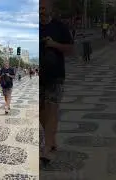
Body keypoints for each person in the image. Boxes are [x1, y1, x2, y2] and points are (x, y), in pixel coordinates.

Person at [40, 0, 74, 165]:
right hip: (38, 78)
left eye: (44, 8)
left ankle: (46, 149)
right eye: (39, 8)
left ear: (51, 9)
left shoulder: (60, 27)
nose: (41, 11)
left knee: (52, 110)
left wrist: (54, 44)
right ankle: (51, 140)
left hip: (55, 76)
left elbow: (70, 50)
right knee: (41, 112)